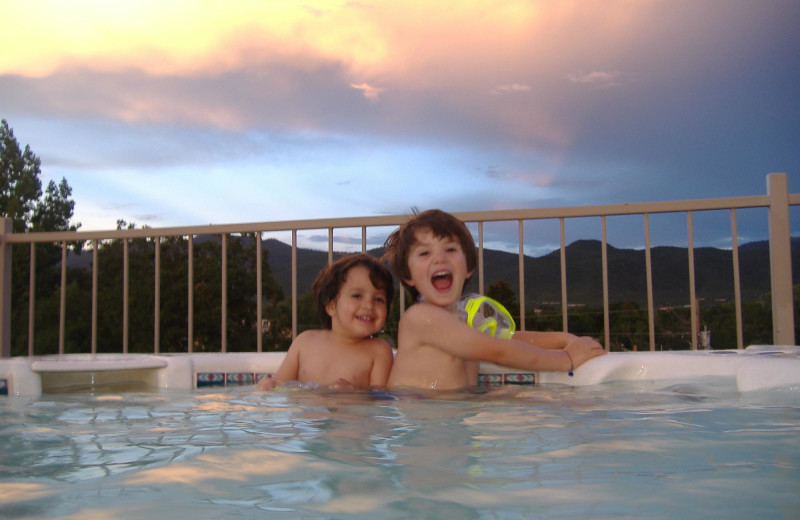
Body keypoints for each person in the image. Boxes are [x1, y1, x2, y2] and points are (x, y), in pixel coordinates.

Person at [383, 209, 606, 390]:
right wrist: (565, 359)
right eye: (424, 253)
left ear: (469, 267)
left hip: (447, 418)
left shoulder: (460, 320)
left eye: (450, 249)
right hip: (420, 427)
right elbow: (496, 351)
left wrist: (564, 339)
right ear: (408, 276)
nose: (439, 258)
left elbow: (508, 339)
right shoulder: (421, 317)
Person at [259, 253, 395, 390]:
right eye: (357, 296)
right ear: (331, 306)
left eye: (378, 299)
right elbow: (280, 384)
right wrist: (270, 385)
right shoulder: (304, 342)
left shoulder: (379, 352)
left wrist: (355, 394)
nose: (369, 305)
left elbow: (381, 400)